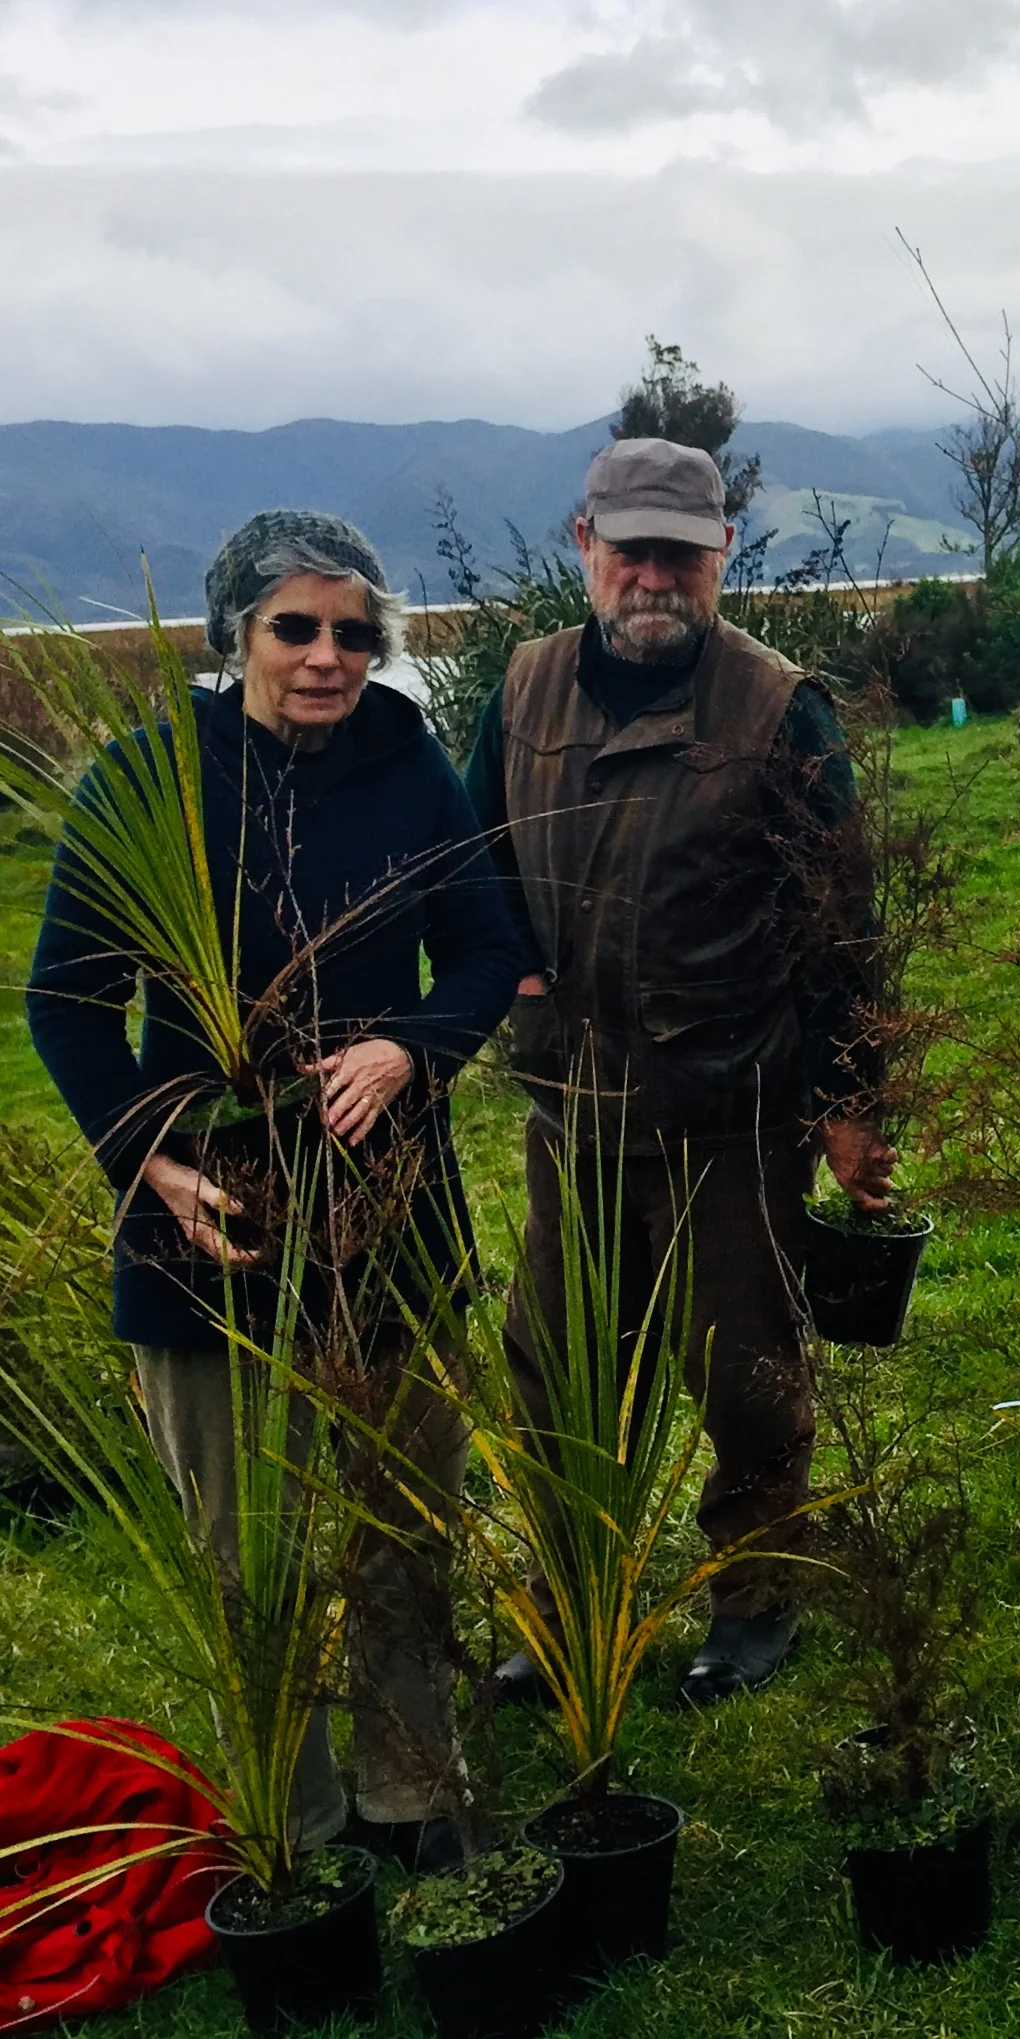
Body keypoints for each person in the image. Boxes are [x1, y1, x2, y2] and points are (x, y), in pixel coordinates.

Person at [28, 510, 526, 1873]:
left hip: (391, 1212)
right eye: (295, 627)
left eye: (355, 632)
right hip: (213, 1224)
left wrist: (407, 1045)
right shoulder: (145, 782)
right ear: (232, 633)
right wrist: (150, 1157)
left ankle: (411, 1796)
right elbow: (66, 1004)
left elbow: (487, 949)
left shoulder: (410, 766)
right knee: (256, 1555)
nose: (327, 656)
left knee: (402, 1517)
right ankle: (295, 1827)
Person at [463, 436, 887, 1708]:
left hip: (730, 1104)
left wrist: (855, 1103)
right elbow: (477, 847)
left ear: (722, 559)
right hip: (572, 1098)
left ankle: (755, 1591)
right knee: (559, 1361)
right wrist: (516, 972)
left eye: (682, 555)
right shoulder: (524, 684)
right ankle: (573, 1598)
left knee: (743, 1366)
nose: (655, 576)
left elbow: (843, 918)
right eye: (632, 549)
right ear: (584, 544)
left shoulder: (775, 703)